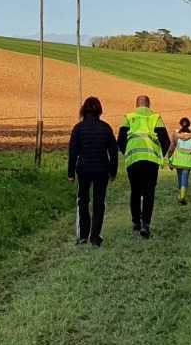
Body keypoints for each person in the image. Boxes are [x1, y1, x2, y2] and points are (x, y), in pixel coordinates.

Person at [67, 96, 118, 247]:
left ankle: (83, 235)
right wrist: (113, 171)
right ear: (99, 111)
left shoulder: (78, 128)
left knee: (83, 200)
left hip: (83, 169)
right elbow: (113, 153)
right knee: (99, 202)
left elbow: (73, 152)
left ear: (83, 110)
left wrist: (70, 173)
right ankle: (95, 237)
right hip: (102, 169)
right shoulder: (106, 128)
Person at [118, 95, 171, 239]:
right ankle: (146, 224)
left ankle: (136, 221)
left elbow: (120, 140)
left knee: (135, 190)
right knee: (149, 192)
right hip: (150, 160)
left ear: (136, 104)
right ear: (149, 105)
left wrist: (127, 152)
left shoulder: (128, 117)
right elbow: (165, 141)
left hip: (133, 158)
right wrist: (161, 155)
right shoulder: (155, 117)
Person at [169, 117, 191, 204]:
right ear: (189, 124)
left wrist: (169, 158)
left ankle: (180, 195)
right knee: (185, 177)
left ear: (180, 124)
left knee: (179, 176)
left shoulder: (176, 133)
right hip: (188, 159)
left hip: (178, 158)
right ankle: (183, 196)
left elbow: (172, 147)